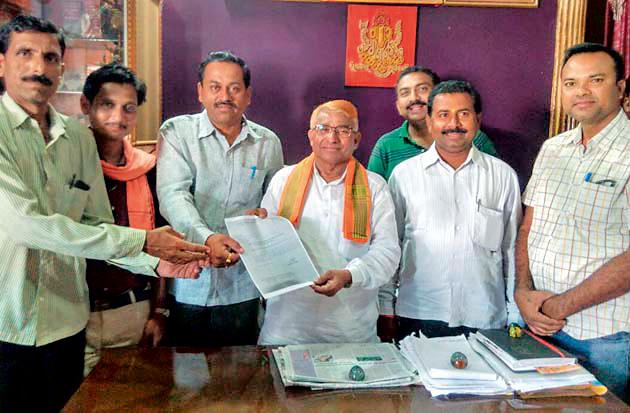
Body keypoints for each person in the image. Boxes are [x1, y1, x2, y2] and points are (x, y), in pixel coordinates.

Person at [0, 16, 209, 413]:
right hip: (7, 326)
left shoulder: (78, 139)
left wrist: (156, 262)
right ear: (2, 62)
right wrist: (144, 241)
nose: (39, 67)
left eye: (50, 57)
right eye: (25, 53)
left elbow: (97, 226)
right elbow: (26, 225)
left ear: (62, 67)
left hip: (68, 325)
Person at [514, 43, 629, 402]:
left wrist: (559, 307)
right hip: (539, 326)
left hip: (605, 337)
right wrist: (523, 292)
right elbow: (529, 228)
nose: (581, 91)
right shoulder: (553, 149)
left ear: (620, 88)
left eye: (596, 80)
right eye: (570, 83)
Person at [80, 63, 201, 375]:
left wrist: (159, 311)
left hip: (132, 309)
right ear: (86, 105)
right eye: (107, 105)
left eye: (128, 108)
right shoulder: (70, 166)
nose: (118, 116)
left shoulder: (148, 170)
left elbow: (162, 241)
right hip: (74, 314)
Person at [157, 50, 284, 346]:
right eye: (215, 87)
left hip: (243, 285)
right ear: (200, 91)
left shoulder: (268, 143)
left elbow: (275, 204)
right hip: (189, 280)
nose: (224, 96)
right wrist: (207, 238)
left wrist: (266, 217)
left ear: (248, 95)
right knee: (186, 372)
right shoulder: (177, 132)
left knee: (240, 369)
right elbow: (173, 196)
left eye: (234, 88)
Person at [252, 100, 400, 344]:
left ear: (356, 139)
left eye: (343, 130)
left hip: (351, 330)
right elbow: (267, 244)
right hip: (287, 327)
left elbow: (388, 252)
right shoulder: (284, 180)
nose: (332, 137)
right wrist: (255, 229)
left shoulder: (375, 187)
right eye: (323, 128)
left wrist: (349, 275)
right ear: (311, 136)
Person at [386, 80, 522, 341]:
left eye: (464, 114)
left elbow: (511, 248)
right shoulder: (404, 176)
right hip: (419, 312)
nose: (454, 124)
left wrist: (515, 313)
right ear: (429, 121)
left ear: (478, 119)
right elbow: (392, 246)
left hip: (485, 315)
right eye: (443, 114)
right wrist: (385, 307)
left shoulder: (502, 176)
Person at [367, 66, 497, 182]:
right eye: (405, 93)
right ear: (398, 106)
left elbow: (495, 182)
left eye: (422, 89)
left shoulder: (474, 138)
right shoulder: (386, 145)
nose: (414, 98)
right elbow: (372, 193)